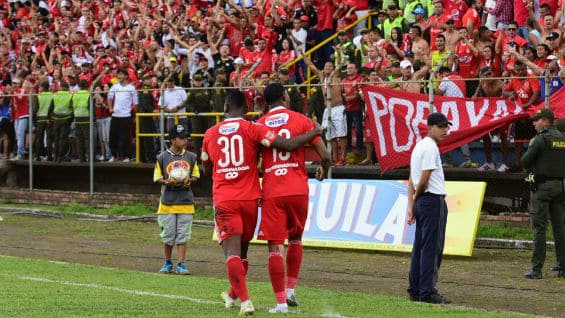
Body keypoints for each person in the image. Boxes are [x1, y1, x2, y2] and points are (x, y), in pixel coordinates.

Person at [200, 90, 322, 316]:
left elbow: (206, 167)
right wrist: (313, 133)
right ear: (246, 109)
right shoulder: (253, 128)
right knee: (243, 252)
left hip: (225, 198)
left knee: (233, 254)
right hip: (250, 200)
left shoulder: (210, 133)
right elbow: (286, 145)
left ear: (225, 107)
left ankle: (246, 301)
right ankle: (232, 295)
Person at [256, 83, 331, 313]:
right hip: (298, 187)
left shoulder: (259, 124)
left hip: (273, 189)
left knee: (274, 245)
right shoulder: (302, 120)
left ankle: (280, 303)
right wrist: (323, 170)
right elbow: (325, 155)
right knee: (296, 238)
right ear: (284, 97)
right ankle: (290, 290)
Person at [407, 112, 451, 304]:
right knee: (432, 248)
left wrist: (412, 204)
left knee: (420, 247)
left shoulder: (419, 147)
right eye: (441, 127)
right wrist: (416, 198)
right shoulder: (431, 148)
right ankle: (427, 291)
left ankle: (415, 289)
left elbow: (412, 179)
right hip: (432, 200)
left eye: (446, 126)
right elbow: (424, 178)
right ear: (430, 127)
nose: (445, 130)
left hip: (422, 201)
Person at [521, 108, 565, 279]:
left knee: (540, 228)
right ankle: (562, 267)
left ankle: (537, 269)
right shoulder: (563, 138)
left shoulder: (540, 139)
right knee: (559, 228)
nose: (534, 123)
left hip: (542, 188)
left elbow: (525, 162)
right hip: (560, 187)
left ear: (546, 120)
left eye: (537, 120)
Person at [153, 124, 199, 275]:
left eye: (185, 137)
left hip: (185, 203)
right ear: (172, 140)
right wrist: (167, 182)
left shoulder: (191, 157)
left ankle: (181, 263)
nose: (185, 140)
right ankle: (167, 262)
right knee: (168, 235)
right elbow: (158, 177)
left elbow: (196, 175)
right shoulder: (162, 157)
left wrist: (190, 180)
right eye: (181, 137)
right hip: (167, 203)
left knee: (183, 235)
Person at [108, 69, 138, 162]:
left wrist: (135, 116)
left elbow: (136, 103)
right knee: (113, 136)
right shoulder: (114, 86)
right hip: (115, 115)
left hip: (126, 116)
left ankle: (126, 156)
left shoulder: (131, 88)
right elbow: (109, 97)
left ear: (126, 76)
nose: (118, 76)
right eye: (118, 74)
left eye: (121, 74)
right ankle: (114, 155)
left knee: (125, 137)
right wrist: (110, 108)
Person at [71, 79, 91, 163]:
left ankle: (81, 158)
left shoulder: (75, 95)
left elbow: (73, 106)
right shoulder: (88, 94)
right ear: (87, 86)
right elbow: (90, 107)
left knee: (79, 139)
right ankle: (89, 157)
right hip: (86, 118)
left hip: (77, 117)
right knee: (87, 139)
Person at [34, 81, 54, 161]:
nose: (39, 88)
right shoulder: (52, 95)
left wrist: (34, 121)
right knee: (49, 138)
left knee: (39, 138)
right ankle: (49, 156)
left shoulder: (39, 96)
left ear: (43, 87)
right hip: (49, 119)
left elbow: (35, 109)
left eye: (40, 87)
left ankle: (38, 156)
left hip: (40, 119)